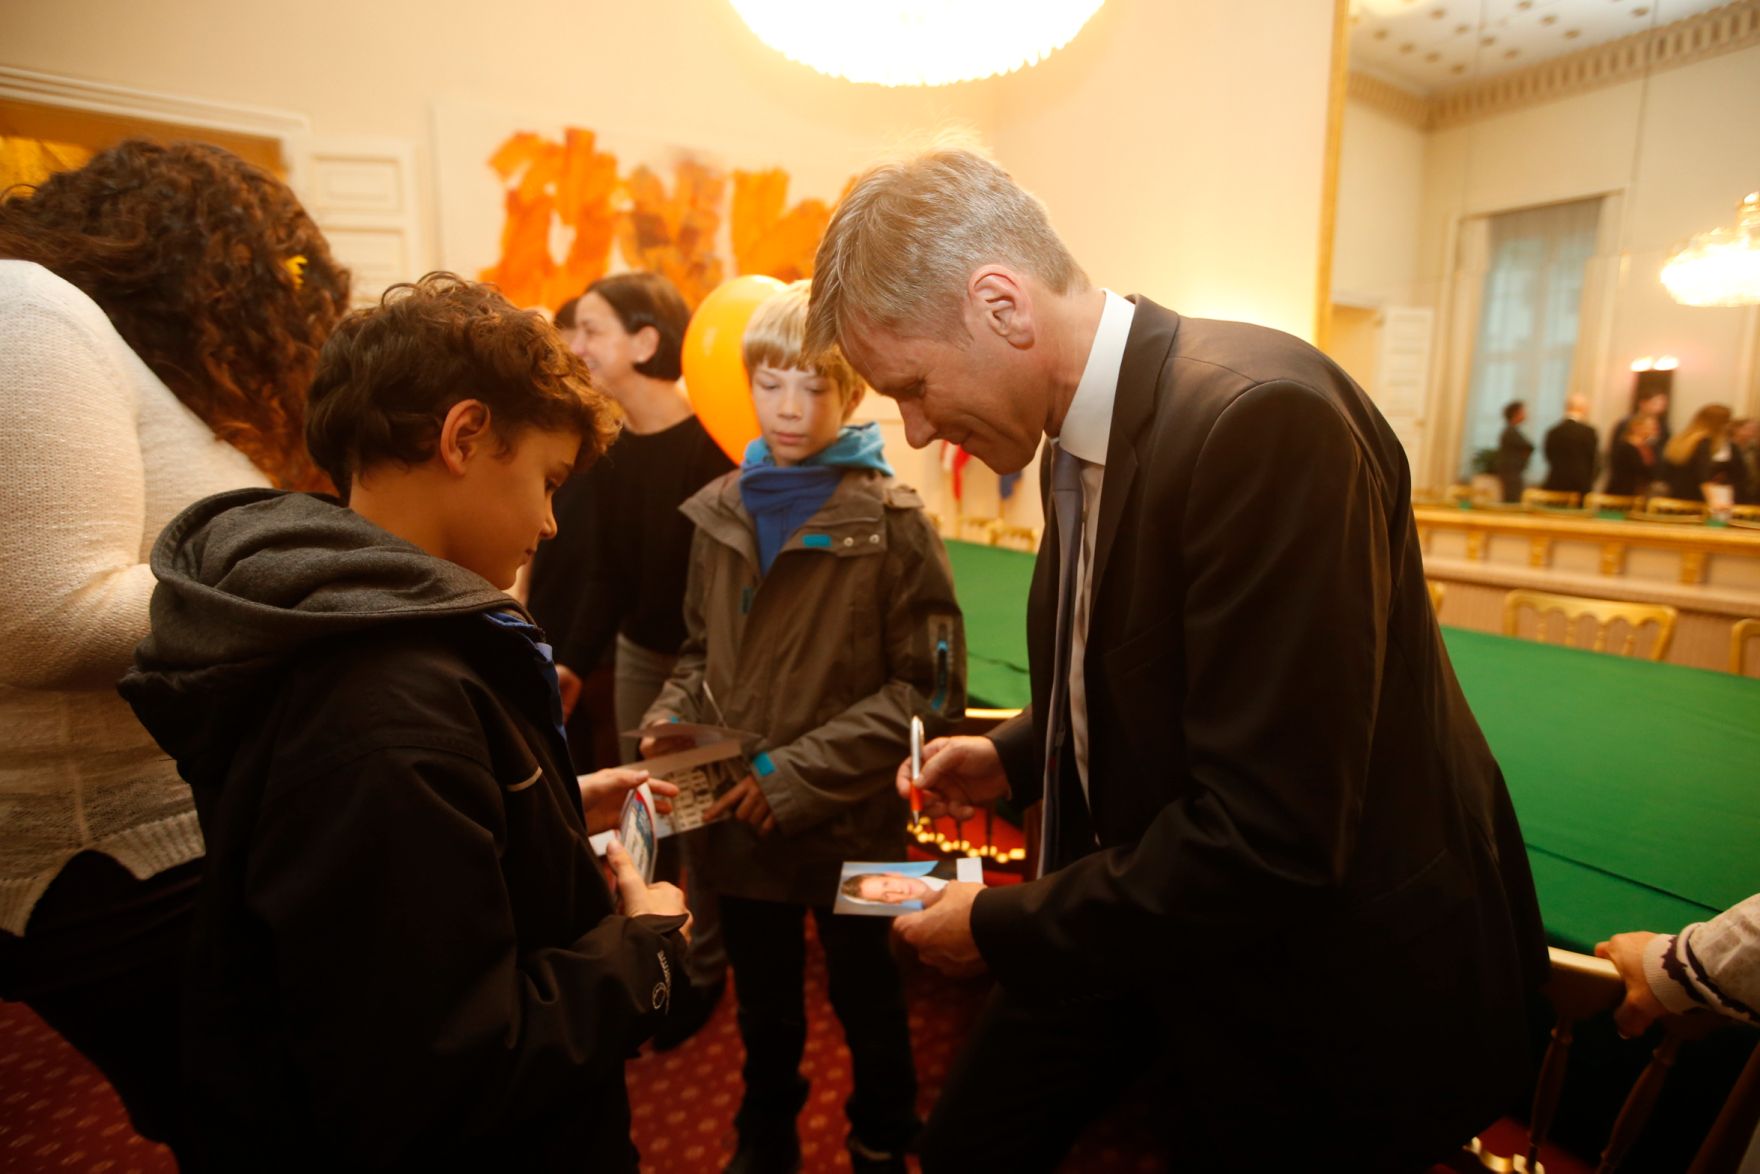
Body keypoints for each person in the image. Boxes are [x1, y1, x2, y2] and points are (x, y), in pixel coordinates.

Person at [804, 146, 1547, 1171]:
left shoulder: (1257, 417)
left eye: (915, 388)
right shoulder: (1076, 429)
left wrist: (1002, 923)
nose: (921, 432)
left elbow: (1270, 834)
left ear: (1000, 305)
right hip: (1151, 910)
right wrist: (1018, 754)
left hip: (1312, 979)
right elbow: (1145, 664)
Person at [118, 274, 691, 1169]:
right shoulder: (383, 708)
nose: (548, 522)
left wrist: (541, 809)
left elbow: (404, 880)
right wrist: (645, 945)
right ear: (465, 436)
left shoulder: (352, 623)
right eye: (546, 481)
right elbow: (448, 1068)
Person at [0, 138, 349, 1159]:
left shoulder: (124, 350)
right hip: (109, 862)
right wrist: (341, 578)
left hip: (192, 840)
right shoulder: (28, 309)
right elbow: (47, 616)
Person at [642, 280, 966, 1173]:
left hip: (863, 824)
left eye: (812, 386)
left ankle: (881, 1135)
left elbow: (927, 693)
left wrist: (797, 777)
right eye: (770, 383)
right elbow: (699, 652)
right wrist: (670, 721)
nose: (789, 407)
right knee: (767, 1009)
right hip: (740, 826)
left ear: (850, 394)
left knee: (873, 995)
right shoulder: (717, 511)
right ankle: (766, 1137)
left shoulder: (897, 524)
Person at [526, 270, 735, 1046]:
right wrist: (575, 659)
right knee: (650, 824)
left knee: (701, 828)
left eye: (591, 330)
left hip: (706, 666)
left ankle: (705, 970)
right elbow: (607, 574)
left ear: (646, 343)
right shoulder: (608, 444)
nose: (575, 345)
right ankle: (659, 963)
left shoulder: (713, 444)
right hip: (638, 657)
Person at [1658, 404, 1733, 501]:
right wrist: (1714, 501)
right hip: (1692, 496)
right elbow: (1703, 475)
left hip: (1674, 493)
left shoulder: (1683, 439)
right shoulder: (1704, 442)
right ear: (1719, 423)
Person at [1541, 394, 1598, 497]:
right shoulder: (1589, 432)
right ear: (1582, 409)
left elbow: (1548, 456)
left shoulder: (1554, 431)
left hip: (1556, 483)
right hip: (1580, 486)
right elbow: (1592, 460)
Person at [1604, 415, 1661, 498]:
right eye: (1650, 427)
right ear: (1637, 427)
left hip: (1640, 492)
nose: (1654, 430)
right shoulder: (1625, 447)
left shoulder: (1648, 448)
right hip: (1622, 492)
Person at [1498, 399, 1535, 502]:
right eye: (1523, 412)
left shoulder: (1512, 431)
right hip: (1511, 474)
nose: (1525, 414)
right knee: (1512, 502)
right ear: (1516, 413)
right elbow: (1528, 447)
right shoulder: (1510, 432)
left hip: (1514, 473)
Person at [1728, 417, 1760, 505]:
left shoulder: (1754, 449)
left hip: (1751, 494)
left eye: (1756, 430)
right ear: (1736, 429)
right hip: (1732, 492)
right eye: (1749, 429)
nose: (1753, 432)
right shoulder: (1727, 448)